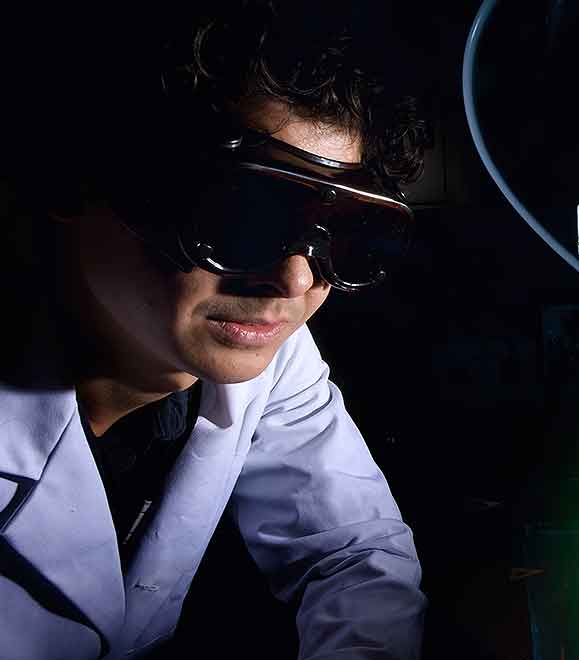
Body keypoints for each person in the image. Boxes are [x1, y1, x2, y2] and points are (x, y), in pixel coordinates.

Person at [0, 3, 430, 658]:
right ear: (73, 176)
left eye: (346, 235)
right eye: (243, 215)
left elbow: (352, 551)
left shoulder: (269, 351)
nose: (292, 283)